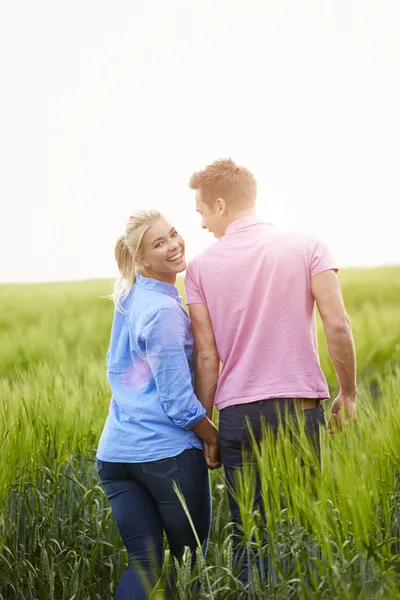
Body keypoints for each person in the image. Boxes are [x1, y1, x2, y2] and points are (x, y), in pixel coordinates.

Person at [184, 158, 357, 583]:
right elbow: (337, 325)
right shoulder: (308, 246)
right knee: (302, 526)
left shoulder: (200, 268)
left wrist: (206, 424)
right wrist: (348, 392)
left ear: (221, 205)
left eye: (202, 212)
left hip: (239, 417)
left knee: (249, 535)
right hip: (299, 409)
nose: (202, 224)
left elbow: (207, 357)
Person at [96, 210, 219, 600]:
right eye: (159, 243)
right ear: (142, 259)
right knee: (190, 563)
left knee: (144, 565)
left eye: (174, 234)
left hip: (116, 454)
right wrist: (214, 438)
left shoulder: (131, 297)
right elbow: (180, 404)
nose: (173, 245)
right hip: (165, 456)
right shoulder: (164, 311)